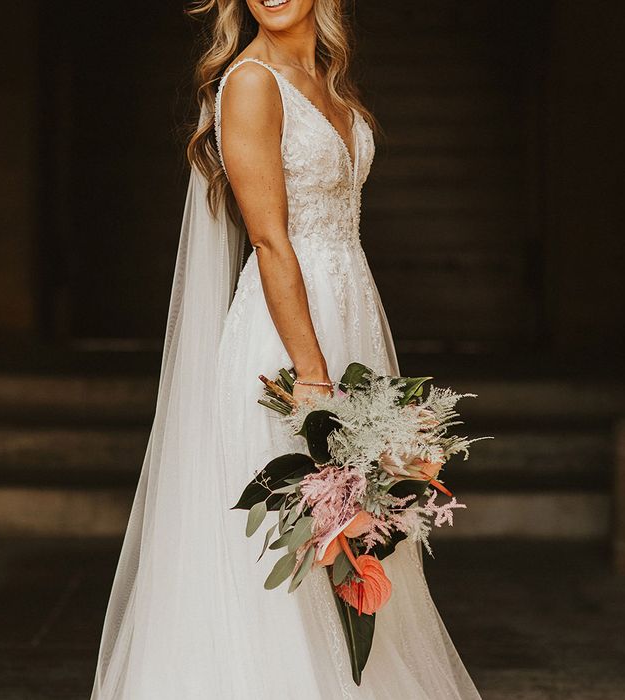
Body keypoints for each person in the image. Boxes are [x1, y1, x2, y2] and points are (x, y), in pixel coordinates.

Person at [91, 1, 482, 697]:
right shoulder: (250, 81)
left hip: (349, 310)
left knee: (357, 534)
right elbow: (270, 239)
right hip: (289, 336)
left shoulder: (328, 77)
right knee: (290, 541)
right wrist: (311, 374)